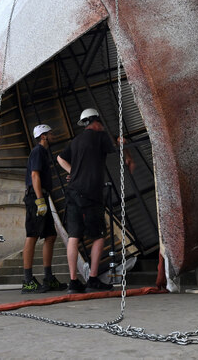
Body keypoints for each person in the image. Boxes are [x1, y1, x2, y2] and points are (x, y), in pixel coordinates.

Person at [57, 108, 134, 294]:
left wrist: (72, 172)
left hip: (73, 192)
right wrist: (125, 148)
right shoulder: (100, 137)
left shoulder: (75, 141)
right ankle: (92, 278)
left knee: (74, 237)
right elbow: (119, 147)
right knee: (99, 236)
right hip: (91, 194)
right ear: (97, 121)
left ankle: (74, 282)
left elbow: (59, 158)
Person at [21, 124, 63, 293]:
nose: (53, 135)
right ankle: (28, 280)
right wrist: (39, 200)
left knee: (51, 235)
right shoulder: (38, 151)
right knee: (32, 235)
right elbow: (34, 175)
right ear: (43, 136)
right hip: (35, 197)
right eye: (51, 133)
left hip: (41, 196)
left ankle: (48, 277)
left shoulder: (44, 153)